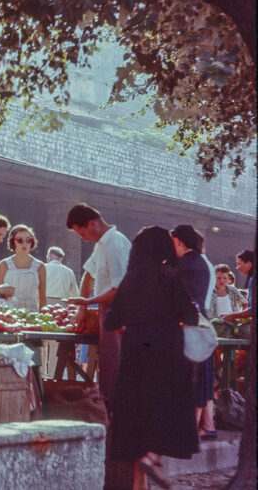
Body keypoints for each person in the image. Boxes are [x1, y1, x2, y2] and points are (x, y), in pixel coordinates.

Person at [105, 226, 199, 490]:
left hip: (135, 349)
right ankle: (153, 458)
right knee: (168, 407)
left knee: (136, 416)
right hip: (167, 348)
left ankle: (139, 485)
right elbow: (190, 316)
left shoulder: (130, 278)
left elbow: (111, 320)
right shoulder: (170, 274)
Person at [66, 203, 130, 409]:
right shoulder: (101, 245)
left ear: (92, 223)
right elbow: (88, 274)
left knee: (116, 363)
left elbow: (119, 288)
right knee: (107, 363)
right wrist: (82, 308)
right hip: (105, 310)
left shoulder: (115, 244)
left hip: (119, 311)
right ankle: (108, 408)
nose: (83, 238)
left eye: (81, 231)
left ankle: (115, 410)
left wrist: (88, 301)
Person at [170, 224, 215, 441]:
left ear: (178, 240)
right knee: (202, 378)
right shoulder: (203, 263)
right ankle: (199, 427)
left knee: (189, 379)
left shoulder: (182, 264)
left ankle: (186, 431)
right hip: (202, 323)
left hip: (186, 325)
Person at [42, 246, 78, 378]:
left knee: (42, 340)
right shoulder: (69, 272)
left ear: (50, 256)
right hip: (61, 307)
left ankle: (42, 373)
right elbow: (74, 294)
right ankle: (52, 375)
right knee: (55, 343)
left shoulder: (43, 268)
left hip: (44, 304)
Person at [0, 224, 46, 312]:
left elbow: (43, 299)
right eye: (20, 240)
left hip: (32, 315)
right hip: (8, 314)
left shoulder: (40, 266)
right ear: (13, 241)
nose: (24, 244)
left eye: (28, 240)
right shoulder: (3, 265)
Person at [222, 249, 254, 322]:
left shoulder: (253, 280)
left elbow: (253, 309)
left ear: (249, 264)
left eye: (239, 263)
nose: (237, 267)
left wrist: (233, 315)